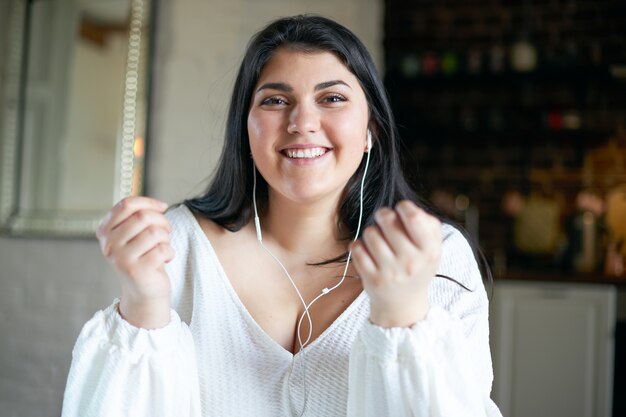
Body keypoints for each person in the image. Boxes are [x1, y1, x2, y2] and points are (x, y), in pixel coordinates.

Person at [61, 15, 502, 417]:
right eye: (275, 100)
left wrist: (402, 314)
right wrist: (143, 305)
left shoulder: (436, 256)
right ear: (245, 128)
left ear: (371, 131)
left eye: (331, 97)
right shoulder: (176, 245)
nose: (302, 121)